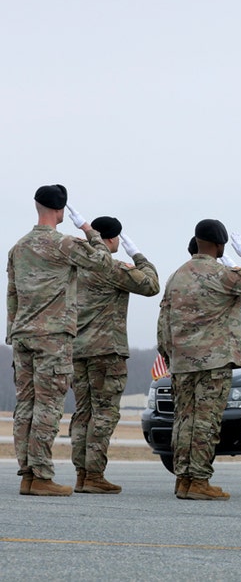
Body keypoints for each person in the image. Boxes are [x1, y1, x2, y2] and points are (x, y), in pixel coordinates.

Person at [6, 185, 114, 496]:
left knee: (25, 405)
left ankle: (28, 474)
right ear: (60, 210)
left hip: (23, 334)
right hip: (52, 337)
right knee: (48, 405)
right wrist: (90, 231)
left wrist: (13, 330)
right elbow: (103, 262)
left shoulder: (18, 247)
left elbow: (12, 294)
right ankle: (41, 475)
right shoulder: (64, 244)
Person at [158, 220, 241, 500]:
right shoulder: (224, 275)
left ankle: (184, 479)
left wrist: (168, 355)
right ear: (220, 245)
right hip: (213, 363)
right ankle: (199, 480)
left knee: (184, 420)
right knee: (205, 422)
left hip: (182, 362)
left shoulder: (177, 276)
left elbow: (163, 320)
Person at [70, 216, 160, 494]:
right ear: (111, 238)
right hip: (106, 351)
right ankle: (94, 475)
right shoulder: (110, 267)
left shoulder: (75, 267)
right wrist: (138, 256)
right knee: (104, 413)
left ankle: (82, 474)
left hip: (77, 351)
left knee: (83, 413)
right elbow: (151, 285)